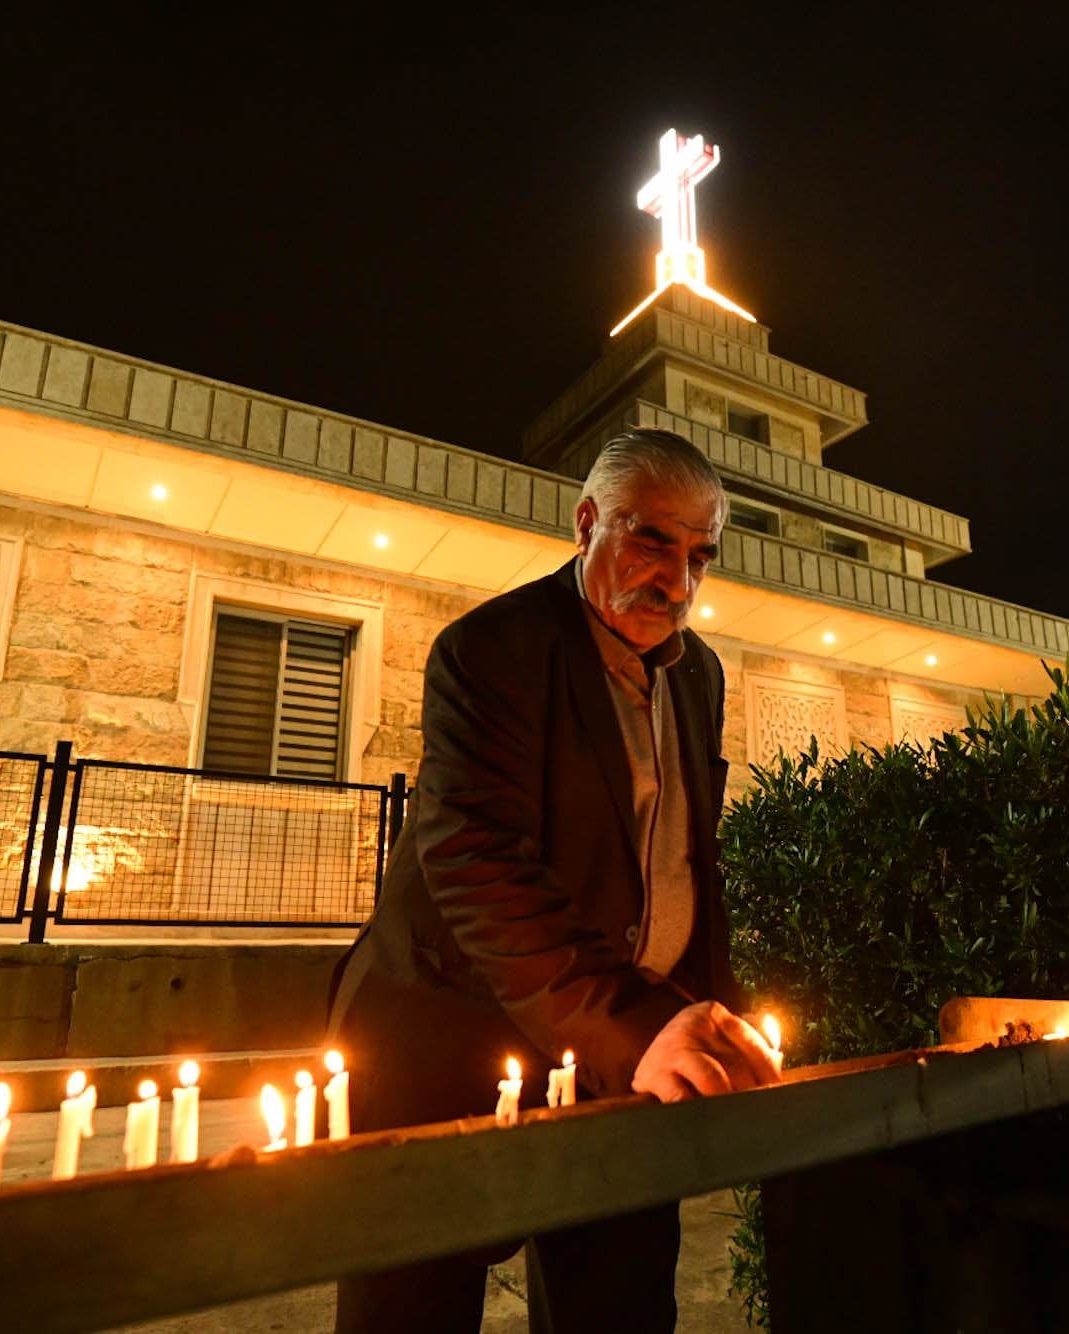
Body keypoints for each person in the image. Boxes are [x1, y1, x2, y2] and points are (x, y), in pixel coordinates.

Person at [326, 428, 781, 1331]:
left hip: (630, 1056)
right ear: (585, 523)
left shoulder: (700, 673)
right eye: (651, 540)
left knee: (620, 1308)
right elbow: (476, 856)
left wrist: (711, 1014)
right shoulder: (491, 648)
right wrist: (639, 1025)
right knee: (410, 1314)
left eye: (700, 556)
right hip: (447, 1042)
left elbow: (686, 859)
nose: (677, 582)